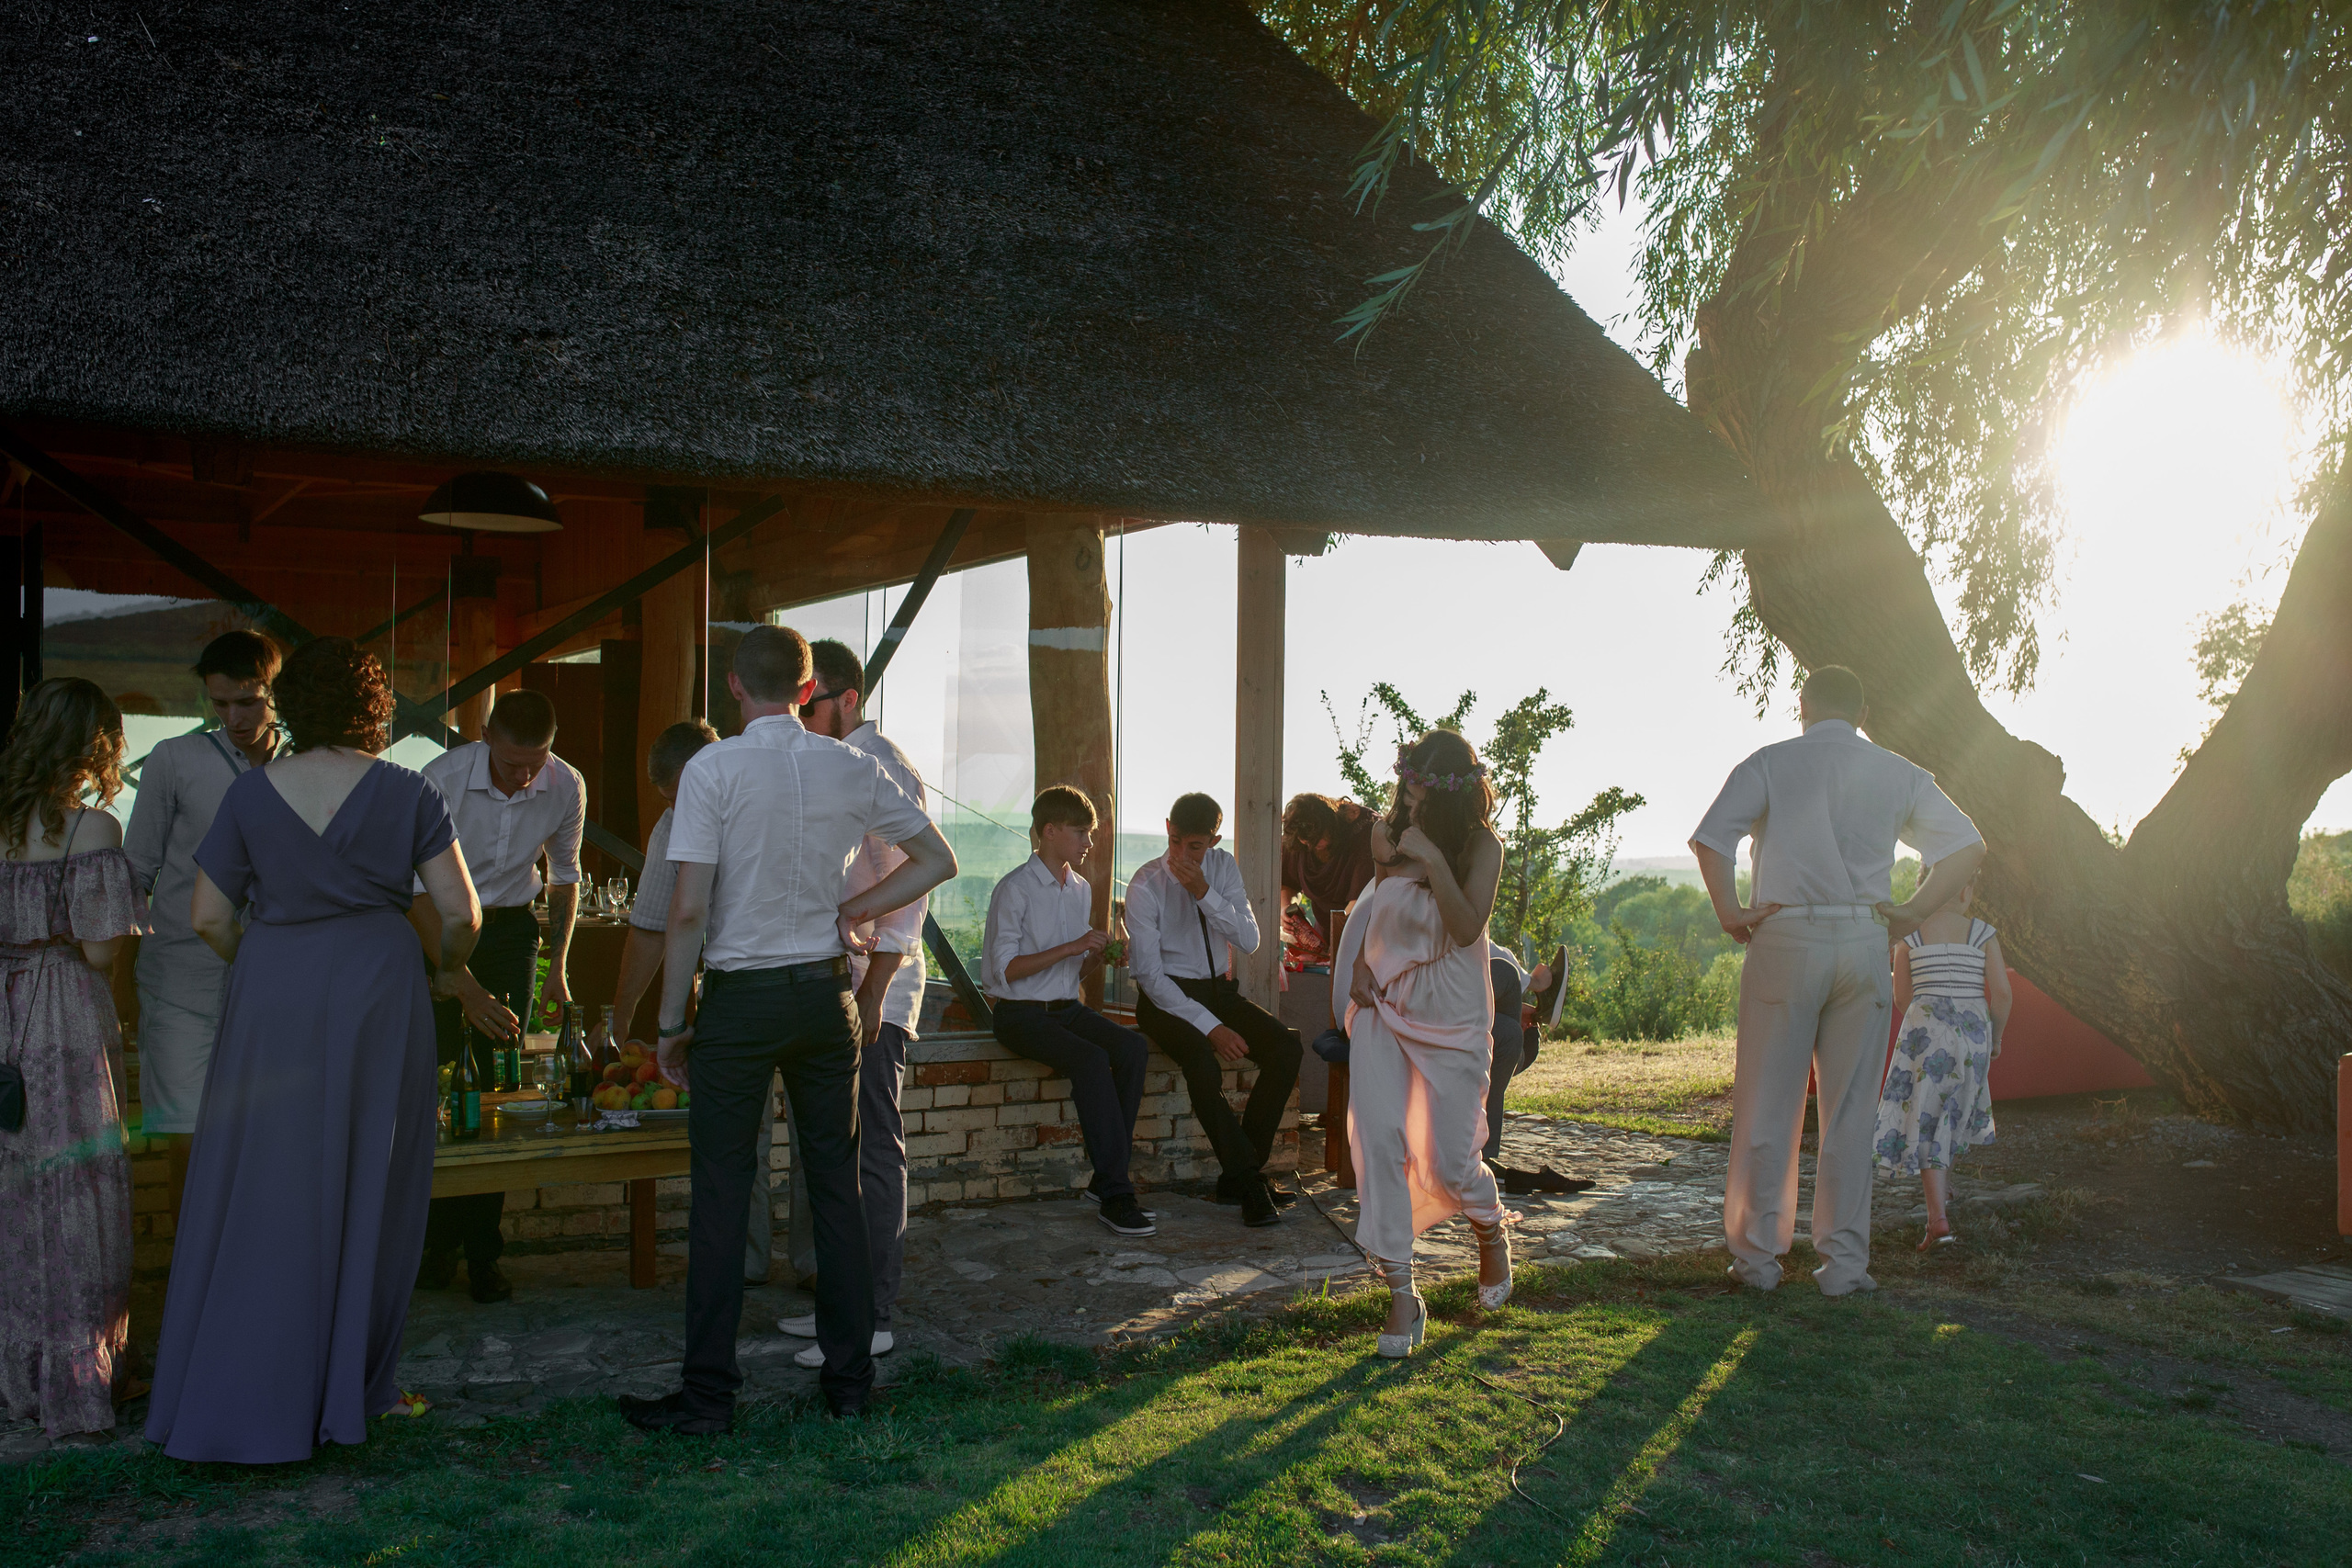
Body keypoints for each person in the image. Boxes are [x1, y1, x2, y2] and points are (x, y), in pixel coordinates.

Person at [145, 638, 483, 1462]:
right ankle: (357, 1388)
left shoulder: (252, 793)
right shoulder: (408, 790)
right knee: (375, 1177)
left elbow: (210, 918)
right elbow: (462, 911)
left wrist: (270, 970)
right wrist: (444, 971)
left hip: (276, 987)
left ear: (291, 704)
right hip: (379, 988)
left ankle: (253, 1381)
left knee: (265, 1180)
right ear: (376, 708)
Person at [621, 626, 954, 1433]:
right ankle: (849, 1384)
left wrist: (670, 1024)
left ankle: (708, 1396)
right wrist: (858, 909)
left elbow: (689, 909)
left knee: (723, 1194)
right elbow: (935, 859)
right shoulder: (852, 764)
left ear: (734, 686)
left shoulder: (714, 768)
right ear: (808, 690)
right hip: (822, 999)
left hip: (740, 1001)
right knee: (836, 1189)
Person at [1690, 664, 1984, 1297]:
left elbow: (1712, 840)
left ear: (1803, 705)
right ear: (1862, 711)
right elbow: (1966, 844)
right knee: (1851, 1110)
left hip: (1786, 933)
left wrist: (1730, 912)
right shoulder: (1898, 771)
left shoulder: (1772, 761)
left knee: (1770, 1101)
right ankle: (1845, 1266)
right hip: (1863, 937)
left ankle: (1758, 1261)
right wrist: (1912, 910)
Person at [775, 640, 934, 1364]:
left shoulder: (883, 764)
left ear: (846, 697)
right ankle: (840, 1303)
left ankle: (873, 1315)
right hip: (835, 978)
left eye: (809, 704)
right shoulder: (830, 763)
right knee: (831, 1150)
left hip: (881, 984)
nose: (800, 717)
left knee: (872, 1146)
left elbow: (912, 893)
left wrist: (872, 990)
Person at [0, 679, 145, 1444]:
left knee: (13, 1196)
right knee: (77, 1185)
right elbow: (98, 948)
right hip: (61, 1015)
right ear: (98, 744)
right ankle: (77, 1379)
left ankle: (19, 1377)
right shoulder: (92, 829)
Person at [1338, 730, 1513, 1358]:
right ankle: (1403, 1297)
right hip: (1387, 1005)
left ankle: (1490, 1233)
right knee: (1378, 1140)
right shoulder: (1387, 835)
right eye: (1403, 784)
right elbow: (1377, 908)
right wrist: (1358, 961)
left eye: (1416, 789)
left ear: (1447, 794)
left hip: (1455, 1016)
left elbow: (1467, 929)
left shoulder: (1482, 846)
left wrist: (1435, 860)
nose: (1404, 799)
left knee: (1451, 1163)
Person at [413, 689, 584, 1303]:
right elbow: (412, 894)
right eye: (513, 763)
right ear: (485, 734)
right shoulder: (438, 780)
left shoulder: (567, 784)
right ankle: (436, 1245)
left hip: (512, 928)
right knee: (435, 1085)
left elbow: (565, 879)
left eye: (535, 761)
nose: (524, 776)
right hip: (436, 924)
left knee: (495, 1090)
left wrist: (557, 968)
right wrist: (461, 983)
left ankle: (484, 1251)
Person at [123, 630, 280, 1221]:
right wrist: (120, 975)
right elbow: (135, 870)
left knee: (265, 1142)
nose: (235, 717)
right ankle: (191, 1294)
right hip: (180, 979)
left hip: (274, 982)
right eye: (220, 704)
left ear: (274, 692)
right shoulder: (174, 759)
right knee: (188, 1143)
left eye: (249, 701)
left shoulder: (304, 764)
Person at [983, 786, 1154, 1239]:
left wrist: (1102, 953)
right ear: (1050, 831)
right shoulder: (1014, 889)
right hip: (1020, 1014)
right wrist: (1075, 945)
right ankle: (1117, 1194)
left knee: (1133, 1048)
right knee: (1093, 1060)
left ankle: (1104, 1180)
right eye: (1081, 833)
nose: (1089, 844)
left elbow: (1075, 967)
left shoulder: (1080, 889)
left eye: (1090, 834)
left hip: (1065, 1009)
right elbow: (1005, 973)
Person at [1125, 792, 1299, 1228]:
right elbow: (1148, 976)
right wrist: (1210, 1028)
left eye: (1196, 846)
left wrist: (1205, 893)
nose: (1183, 854)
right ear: (1168, 828)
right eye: (1177, 841)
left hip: (1218, 991)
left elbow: (1249, 941)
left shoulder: (1223, 869)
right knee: (1202, 1061)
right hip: (1165, 997)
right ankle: (1249, 1183)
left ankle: (1242, 1177)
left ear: (1214, 841)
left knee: (1286, 1047)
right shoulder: (1145, 883)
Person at [1877, 873, 2011, 1247]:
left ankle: (1937, 1218)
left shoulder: (1911, 937)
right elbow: (2001, 993)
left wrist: (1929, 1020)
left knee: (1927, 1117)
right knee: (1951, 1112)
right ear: (1967, 891)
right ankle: (1941, 1199)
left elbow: (1902, 996)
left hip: (1928, 1033)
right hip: (1973, 1033)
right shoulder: (1983, 933)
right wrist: (1995, 1036)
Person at [592, 719, 718, 1055]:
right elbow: (650, 929)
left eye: (683, 797)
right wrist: (620, 1016)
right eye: (668, 800)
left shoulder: (762, 806)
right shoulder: (670, 827)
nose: (677, 809)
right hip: (726, 992)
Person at [1281, 792, 1378, 945]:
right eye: (1307, 843)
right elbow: (1286, 882)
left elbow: (1359, 904)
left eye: (1318, 839)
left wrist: (1336, 949)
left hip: (1367, 934)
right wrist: (1286, 909)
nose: (1313, 846)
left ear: (1330, 824)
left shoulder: (1364, 832)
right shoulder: (1298, 836)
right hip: (1326, 934)